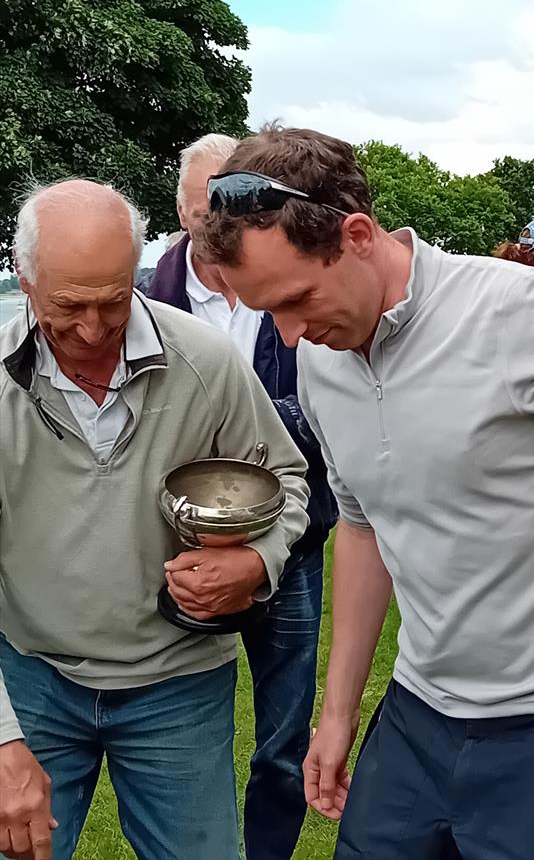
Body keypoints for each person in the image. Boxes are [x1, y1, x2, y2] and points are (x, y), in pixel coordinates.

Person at [197, 125, 534, 860]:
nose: (290, 334)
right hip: (417, 712)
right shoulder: (322, 357)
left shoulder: (517, 309)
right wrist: (339, 710)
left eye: (297, 298)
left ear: (357, 233)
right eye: (266, 313)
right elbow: (363, 525)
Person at [0, 180, 310, 860]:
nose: (91, 328)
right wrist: (2, 737)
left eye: (112, 302)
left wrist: (257, 560)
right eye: (67, 305)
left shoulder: (204, 359)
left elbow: (288, 479)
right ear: (24, 278)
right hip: (32, 675)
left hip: (179, 681)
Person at [143, 133, 338, 860]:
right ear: (181, 208)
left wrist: (245, 425)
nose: (214, 230)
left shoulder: (290, 274)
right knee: (182, 733)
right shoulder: (145, 297)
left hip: (293, 545)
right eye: (200, 214)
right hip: (186, 547)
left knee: (284, 742)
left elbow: (330, 401)